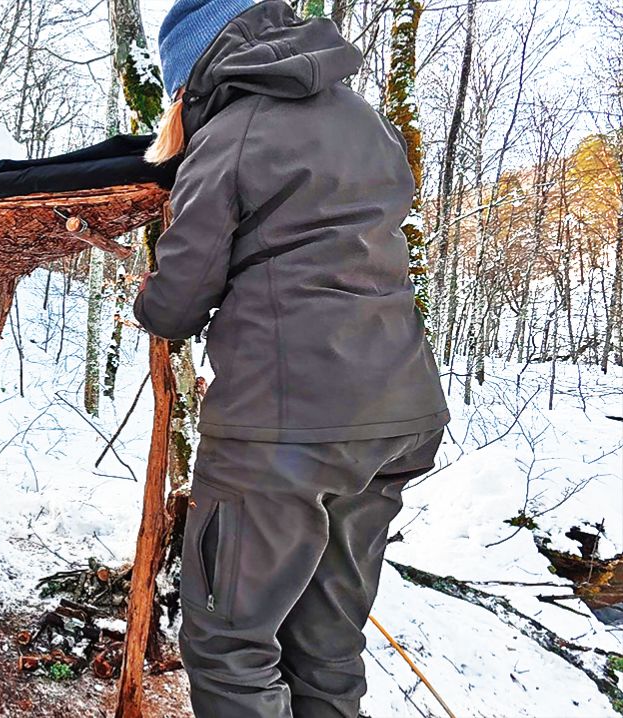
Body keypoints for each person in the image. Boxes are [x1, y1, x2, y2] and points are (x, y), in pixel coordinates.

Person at [134, 1, 450, 716]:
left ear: (193, 72)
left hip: (285, 428)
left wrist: (146, 296)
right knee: (326, 644)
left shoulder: (231, 132)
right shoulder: (363, 118)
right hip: (396, 416)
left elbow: (178, 302)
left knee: (229, 647)